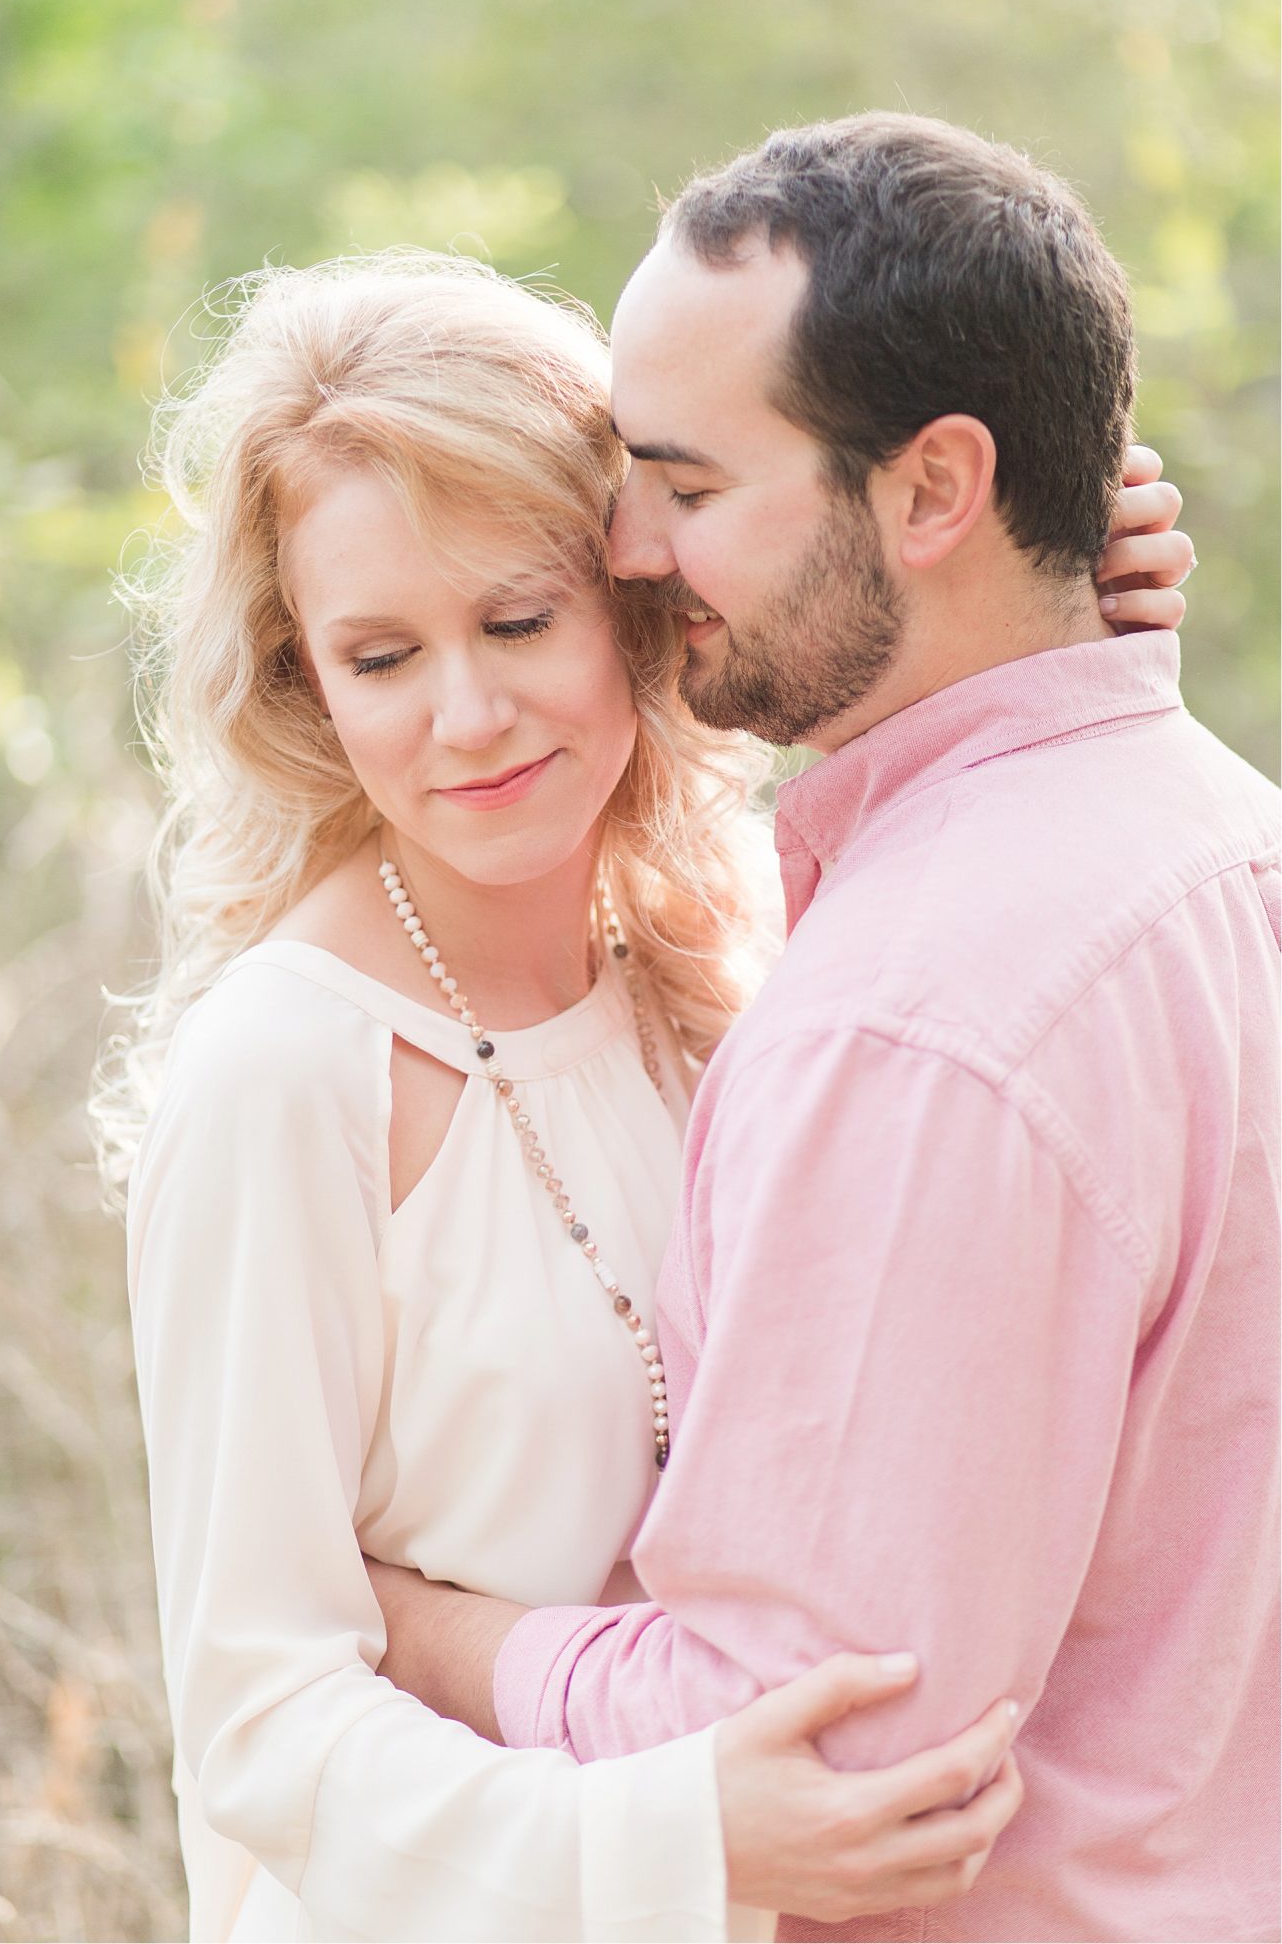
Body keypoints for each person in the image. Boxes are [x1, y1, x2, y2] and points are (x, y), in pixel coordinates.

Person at [101, 243, 1187, 1943]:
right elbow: (256, 1725)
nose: (467, 715)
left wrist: (1069, 590)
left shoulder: (749, 944)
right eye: (379, 657)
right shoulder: (287, 1075)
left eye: (518, 620)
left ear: (638, 595)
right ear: (304, 680)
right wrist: (673, 1842)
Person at [367, 116, 1279, 1943]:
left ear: (938, 490)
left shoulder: (919, 1024)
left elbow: (808, 1749)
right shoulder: (1224, 845)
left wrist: (412, 1627)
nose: (625, 549)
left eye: (687, 491)